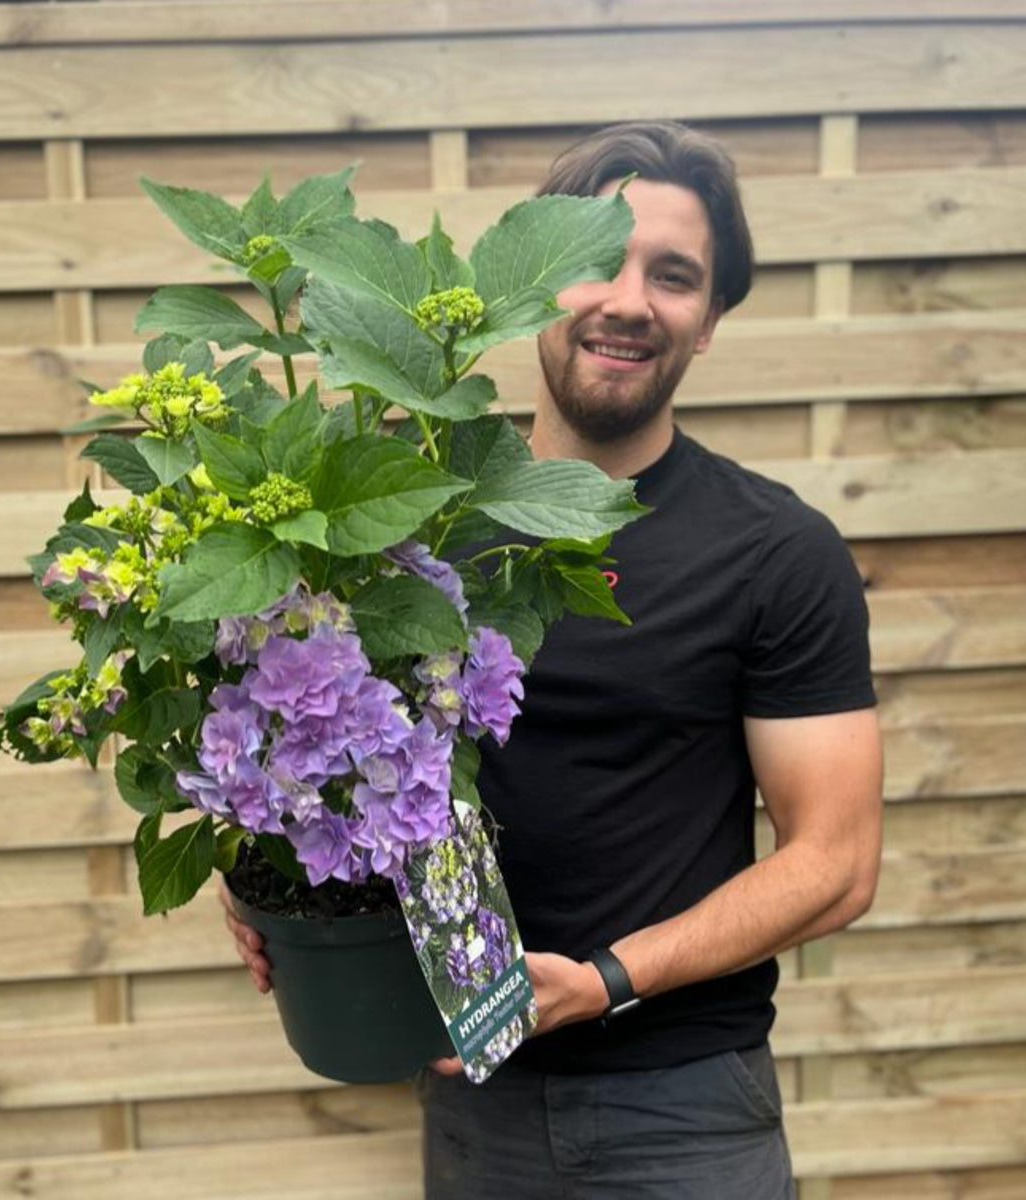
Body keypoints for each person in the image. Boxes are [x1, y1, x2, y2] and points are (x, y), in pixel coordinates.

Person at [224, 121, 883, 1199]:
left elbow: (838, 861)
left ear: (710, 322)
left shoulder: (774, 551)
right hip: (469, 1095)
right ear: (529, 290)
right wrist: (278, 885)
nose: (629, 301)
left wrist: (606, 981)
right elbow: (324, 742)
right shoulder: (406, 518)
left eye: (674, 276)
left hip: (683, 1114)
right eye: (596, 262)